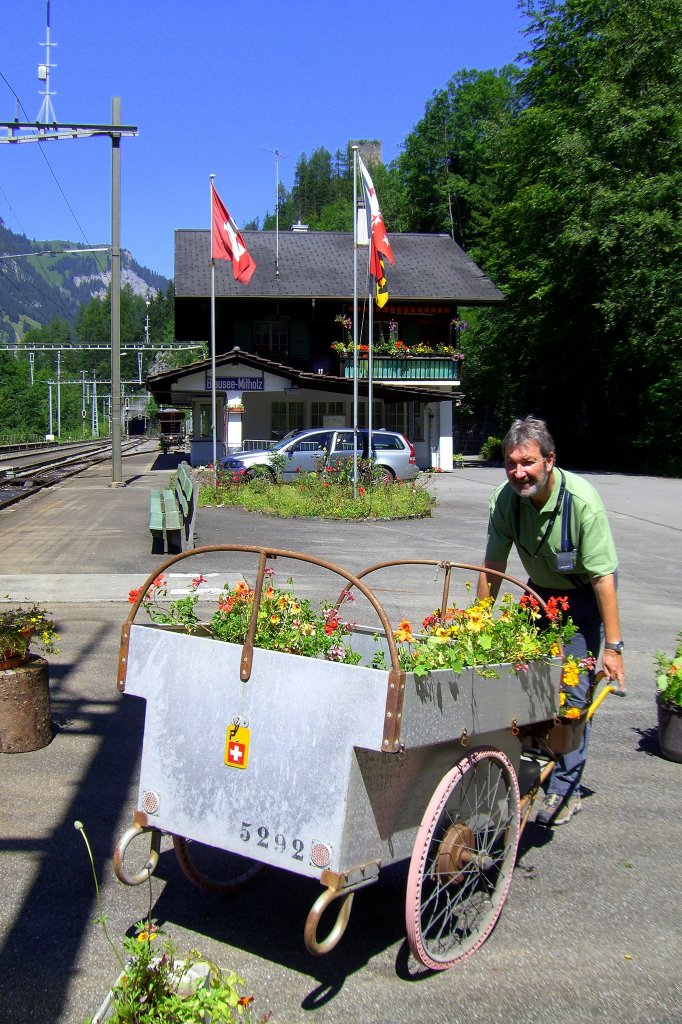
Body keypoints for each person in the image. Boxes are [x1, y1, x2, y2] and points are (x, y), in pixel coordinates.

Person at [477, 417, 625, 826]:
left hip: (582, 595)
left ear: (549, 460)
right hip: (539, 591)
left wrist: (613, 647)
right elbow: (492, 566)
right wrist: (479, 627)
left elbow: (602, 577)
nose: (518, 472)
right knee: (514, 672)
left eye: (527, 462)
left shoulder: (582, 502)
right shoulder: (505, 500)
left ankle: (564, 787)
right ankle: (522, 763)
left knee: (573, 695)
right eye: (510, 463)